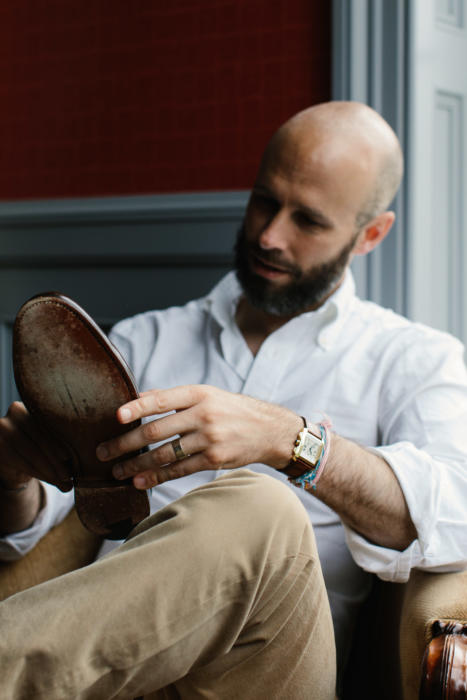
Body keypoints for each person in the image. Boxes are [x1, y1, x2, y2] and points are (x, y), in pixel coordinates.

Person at [1, 101, 466, 699]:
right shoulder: (144, 341)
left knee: (262, 509)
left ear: (369, 234)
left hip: (266, 678)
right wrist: (12, 483)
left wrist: (290, 441)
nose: (270, 235)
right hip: (110, 677)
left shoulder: (410, 358)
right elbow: (49, 530)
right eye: (265, 201)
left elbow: (455, 511)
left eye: (309, 221)